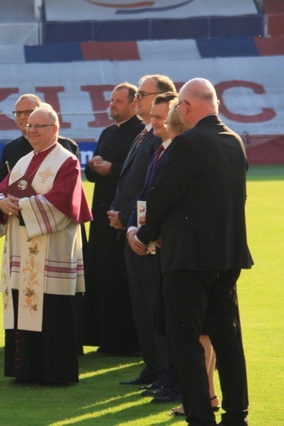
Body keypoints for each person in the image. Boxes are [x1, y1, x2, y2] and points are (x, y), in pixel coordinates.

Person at [135, 78, 252, 425]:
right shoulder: (235, 142)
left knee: (185, 341)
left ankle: (200, 416)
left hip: (187, 257)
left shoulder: (186, 144)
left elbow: (163, 196)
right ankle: (236, 414)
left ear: (185, 106)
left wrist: (145, 234)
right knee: (227, 338)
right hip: (227, 256)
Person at [0, 105, 92, 385]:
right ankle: (26, 371)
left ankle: (54, 373)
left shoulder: (66, 161)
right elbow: (1, 189)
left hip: (51, 248)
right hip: (21, 247)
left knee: (52, 310)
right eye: (29, 126)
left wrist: (20, 205)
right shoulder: (24, 161)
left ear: (55, 129)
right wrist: (2, 203)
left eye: (39, 126)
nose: (32, 130)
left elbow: (63, 202)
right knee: (22, 302)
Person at [109, 75, 175, 387]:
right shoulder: (144, 133)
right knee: (142, 305)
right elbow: (131, 181)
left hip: (143, 231)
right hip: (132, 228)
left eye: (143, 94)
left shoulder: (160, 137)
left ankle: (164, 369)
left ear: (162, 99)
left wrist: (125, 216)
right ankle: (153, 366)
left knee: (154, 305)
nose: (137, 99)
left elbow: (152, 189)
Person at [82, 82, 144, 353]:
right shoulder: (107, 132)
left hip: (124, 215)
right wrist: (94, 167)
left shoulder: (141, 132)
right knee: (102, 274)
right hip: (101, 215)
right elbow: (93, 170)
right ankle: (104, 337)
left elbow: (137, 173)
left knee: (120, 277)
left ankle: (125, 341)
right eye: (111, 101)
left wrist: (111, 169)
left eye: (118, 101)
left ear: (134, 103)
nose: (112, 105)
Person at [0, 94, 79, 189]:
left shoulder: (66, 145)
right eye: (18, 113)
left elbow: (72, 187)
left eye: (27, 112)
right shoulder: (10, 148)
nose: (22, 117)